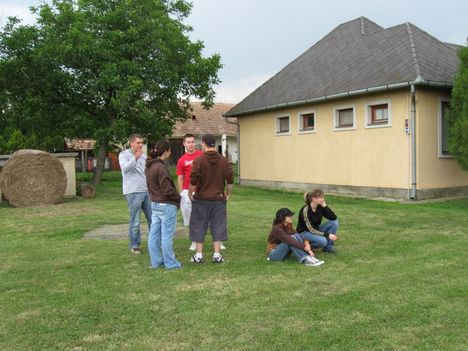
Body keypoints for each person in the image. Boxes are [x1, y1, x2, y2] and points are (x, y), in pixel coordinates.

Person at [188, 134, 233, 264]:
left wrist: (190, 193)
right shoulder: (224, 160)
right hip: (218, 199)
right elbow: (230, 180)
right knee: (218, 225)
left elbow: (193, 180)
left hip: (201, 199)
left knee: (198, 225)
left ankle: (199, 255)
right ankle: (217, 255)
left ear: (203, 143)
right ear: (214, 143)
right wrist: (228, 194)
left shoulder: (199, 160)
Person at [145, 140, 182, 270]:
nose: (170, 152)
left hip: (155, 204)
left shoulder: (149, 166)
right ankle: (171, 263)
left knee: (154, 234)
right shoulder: (161, 167)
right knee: (167, 236)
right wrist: (179, 198)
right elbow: (167, 189)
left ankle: (156, 262)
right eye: (170, 150)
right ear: (166, 151)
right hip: (166, 205)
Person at [118, 134, 152, 255]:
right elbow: (125, 169)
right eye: (138, 143)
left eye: (141, 143)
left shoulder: (144, 156)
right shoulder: (124, 155)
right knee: (135, 220)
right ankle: (134, 245)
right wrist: (135, 158)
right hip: (133, 191)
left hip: (146, 190)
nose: (140, 145)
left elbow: (147, 172)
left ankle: (154, 242)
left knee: (152, 218)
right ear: (131, 143)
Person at [296, 189, 339, 253]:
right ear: (314, 199)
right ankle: (305, 247)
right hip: (304, 232)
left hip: (316, 230)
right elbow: (311, 229)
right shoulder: (305, 210)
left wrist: (325, 206)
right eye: (321, 198)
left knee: (334, 223)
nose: (323, 199)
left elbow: (333, 217)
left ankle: (328, 248)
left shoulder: (320, 207)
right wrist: (328, 235)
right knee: (323, 241)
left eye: (323, 197)